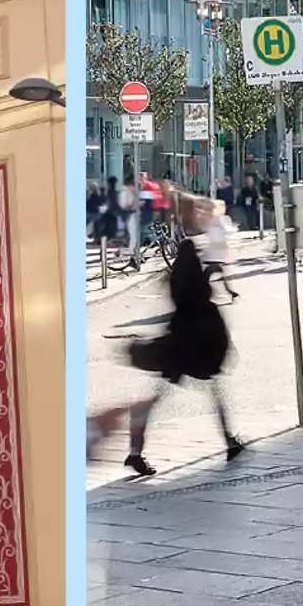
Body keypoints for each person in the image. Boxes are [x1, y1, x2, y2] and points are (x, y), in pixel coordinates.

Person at [121, 239, 245, 476]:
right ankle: (230, 441)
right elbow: (215, 271)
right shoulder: (201, 289)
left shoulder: (176, 280)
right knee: (216, 395)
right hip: (200, 349)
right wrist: (226, 288)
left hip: (177, 346)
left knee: (153, 399)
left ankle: (135, 452)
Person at [201, 199, 239, 301]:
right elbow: (227, 230)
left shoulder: (209, 218)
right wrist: (235, 228)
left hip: (212, 249)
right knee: (216, 271)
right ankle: (228, 291)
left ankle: (227, 291)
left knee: (212, 272)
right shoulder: (221, 219)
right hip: (217, 249)